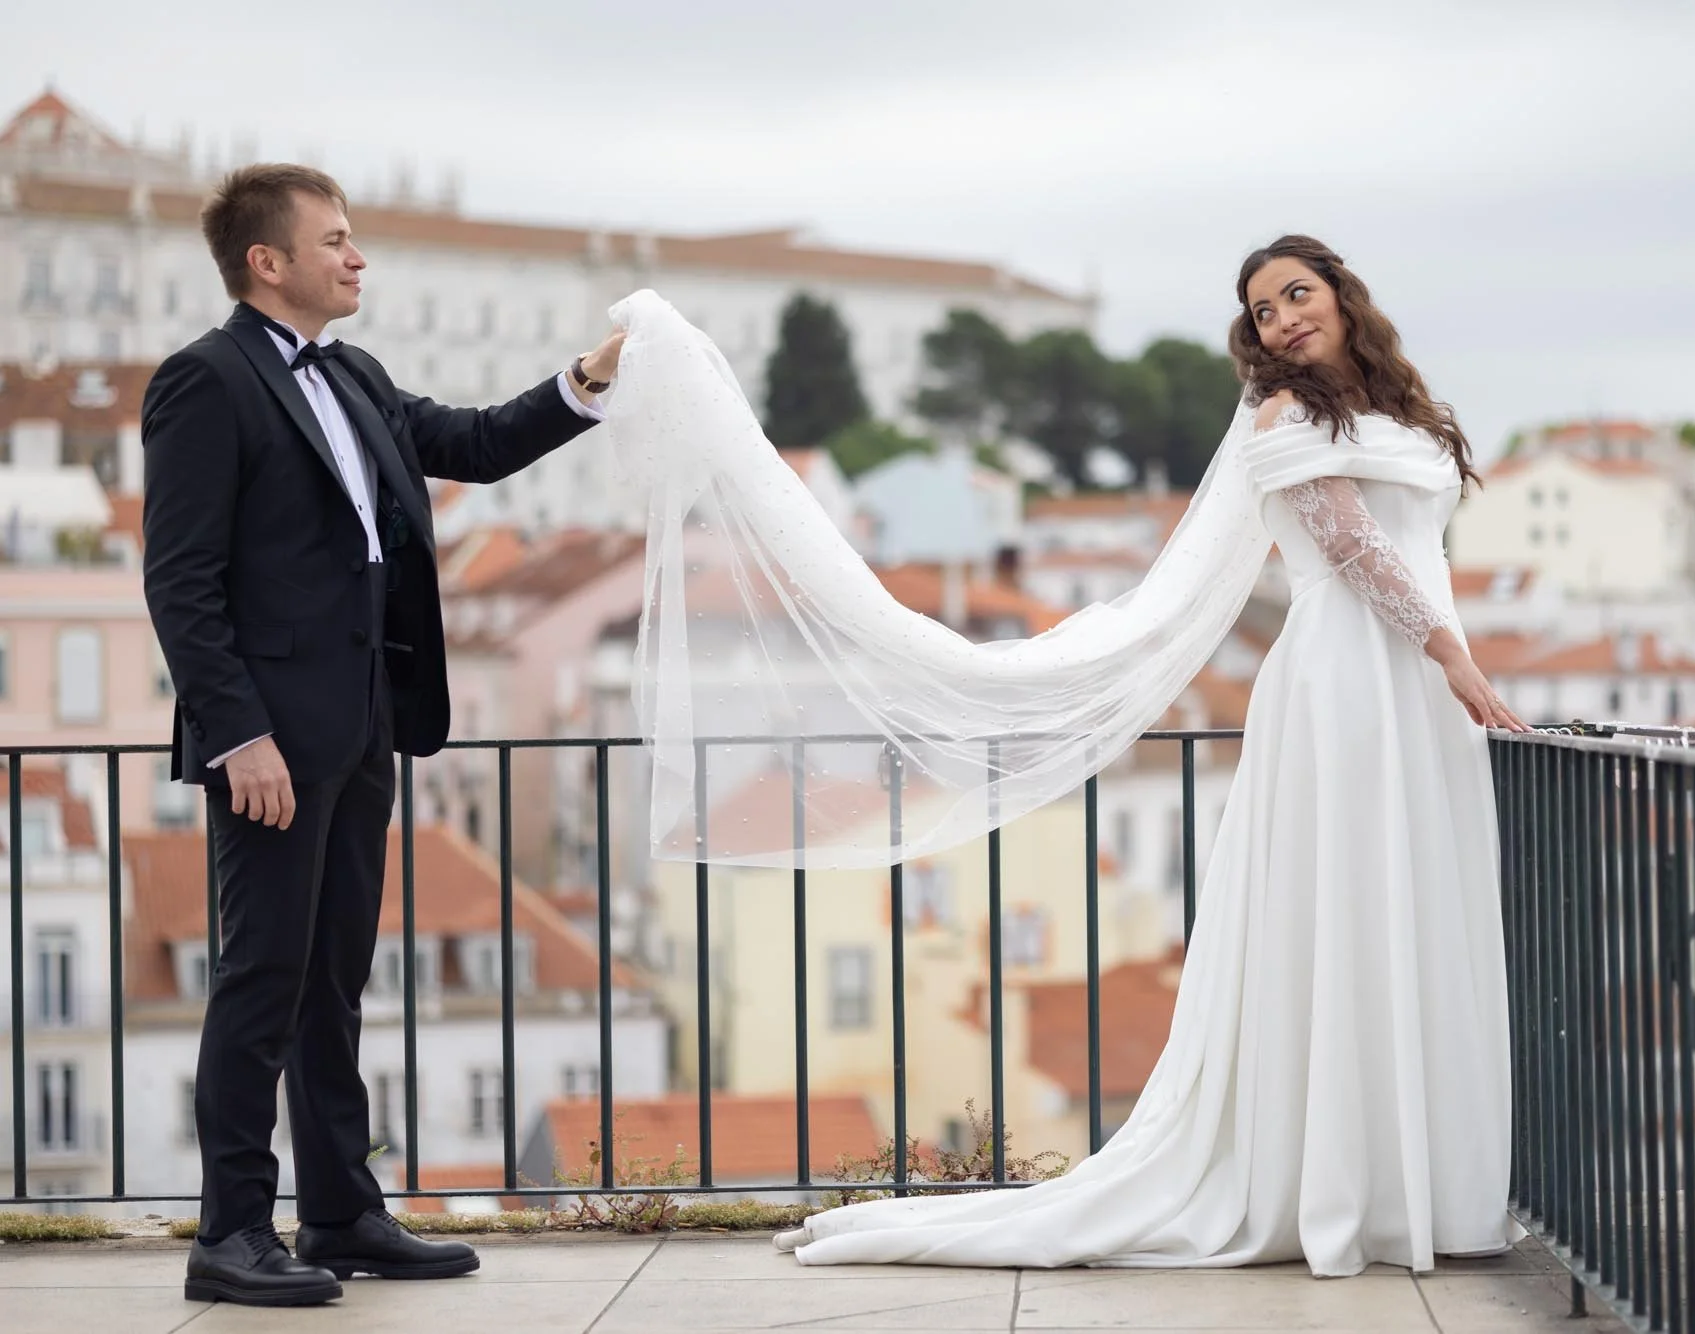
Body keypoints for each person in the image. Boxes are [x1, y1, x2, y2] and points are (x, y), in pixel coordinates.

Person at [764, 234, 1527, 1276]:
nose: (1281, 317)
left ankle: (1418, 1184)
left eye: (1295, 294)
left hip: (1422, 685)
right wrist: (1452, 656)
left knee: (1411, 909)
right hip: (1348, 679)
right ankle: (1343, 1183)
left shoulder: (1401, 414)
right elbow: (1350, 546)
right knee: (1347, 909)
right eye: (1261, 309)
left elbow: (1419, 547)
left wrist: (1448, 663)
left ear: (1342, 298)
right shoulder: (1283, 417)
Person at [141, 163, 625, 1307]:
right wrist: (236, 733)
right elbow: (179, 581)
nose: (358, 257)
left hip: (364, 725)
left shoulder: (353, 374)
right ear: (270, 262)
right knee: (260, 978)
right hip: (268, 743)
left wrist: (587, 380)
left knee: (333, 981)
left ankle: (342, 1211)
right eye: (338, 240)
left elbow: (474, 440)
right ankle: (231, 1231)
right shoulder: (204, 382)